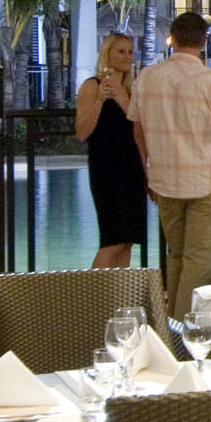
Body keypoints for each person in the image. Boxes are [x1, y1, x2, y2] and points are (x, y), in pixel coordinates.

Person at [128, 11, 211, 318]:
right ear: (203, 42)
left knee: (176, 256)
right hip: (205, 181)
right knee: (198, 263)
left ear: (172, 39)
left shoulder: (147, 77)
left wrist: (148, 173)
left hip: (164, 181)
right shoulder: (210, 81)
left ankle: (170, 326)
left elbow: (137, 131)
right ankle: (184, 331)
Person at [74, 33, 148, 269]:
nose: (127, 56)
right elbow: (82, 133)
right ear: (108, 54)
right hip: (106, 170)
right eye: (121, 51)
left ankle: (118, 289)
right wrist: (100, 100)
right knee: (113, 240)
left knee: (128, 241)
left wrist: (147, 173)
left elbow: (138, 133)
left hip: (132, 170)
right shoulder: (92, 86)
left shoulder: (130, 91)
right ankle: (93, 290)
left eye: (130, 52)